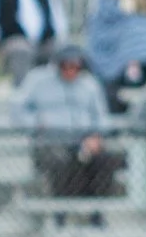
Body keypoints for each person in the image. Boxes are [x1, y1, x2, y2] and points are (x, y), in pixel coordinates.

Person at [12, 43, 122, 199]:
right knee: (60, 162)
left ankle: (96, 213)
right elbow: (18, 110)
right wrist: (37, 123)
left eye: (75, 67)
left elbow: (101, 116)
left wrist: (96, 136)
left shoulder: (89, 84)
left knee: (105, 159)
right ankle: (60, 213)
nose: (70, 71)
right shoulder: (37, 80)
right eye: (66, 66)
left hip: (83, 140)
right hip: (49, 142)